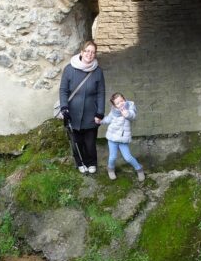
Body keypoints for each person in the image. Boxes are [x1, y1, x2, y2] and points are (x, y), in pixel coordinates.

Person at [59, 40, 105, 174]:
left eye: (93, 52)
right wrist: (64, 108)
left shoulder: (97, 71)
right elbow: (63, 90)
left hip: (91, 112)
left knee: (90, 143)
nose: (90, 54)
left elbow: (101, 93)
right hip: (72, 112)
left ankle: (91, 162)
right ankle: (80, 163)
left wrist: (100, 112)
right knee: (76, 142)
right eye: (87, 51)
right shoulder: (69, 69)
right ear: (82, 52)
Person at [103, 92, 145, 182]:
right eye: (117, 103)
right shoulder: (114, 111)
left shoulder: (130, 107)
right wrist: (100, 121)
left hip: (123, 139)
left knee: (128, 157)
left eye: (121, 101)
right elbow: (108, 119)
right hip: (112, 137)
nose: (120, 104)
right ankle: (110, 169)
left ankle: (139, 169)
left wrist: (127, 114)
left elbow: (132, 115)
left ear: (124, 99)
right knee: (112, 157)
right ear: (114, 105)